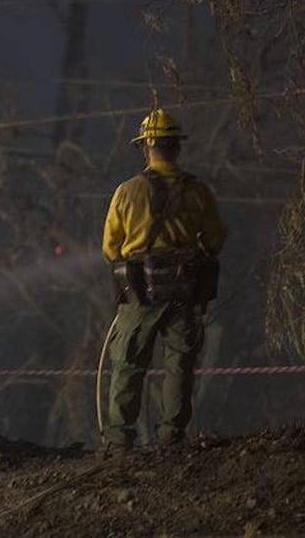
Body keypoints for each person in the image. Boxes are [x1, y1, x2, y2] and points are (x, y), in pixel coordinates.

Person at [99, 108, 226, 452]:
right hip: (184, 293)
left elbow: (110, 247)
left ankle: (118, 440)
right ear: (176, 148)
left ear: (146, 147)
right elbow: (215, 241)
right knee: (179, 364)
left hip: (140, 292)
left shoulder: (127, 192)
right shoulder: (198, 191)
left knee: (127, 364)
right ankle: (171, 436)